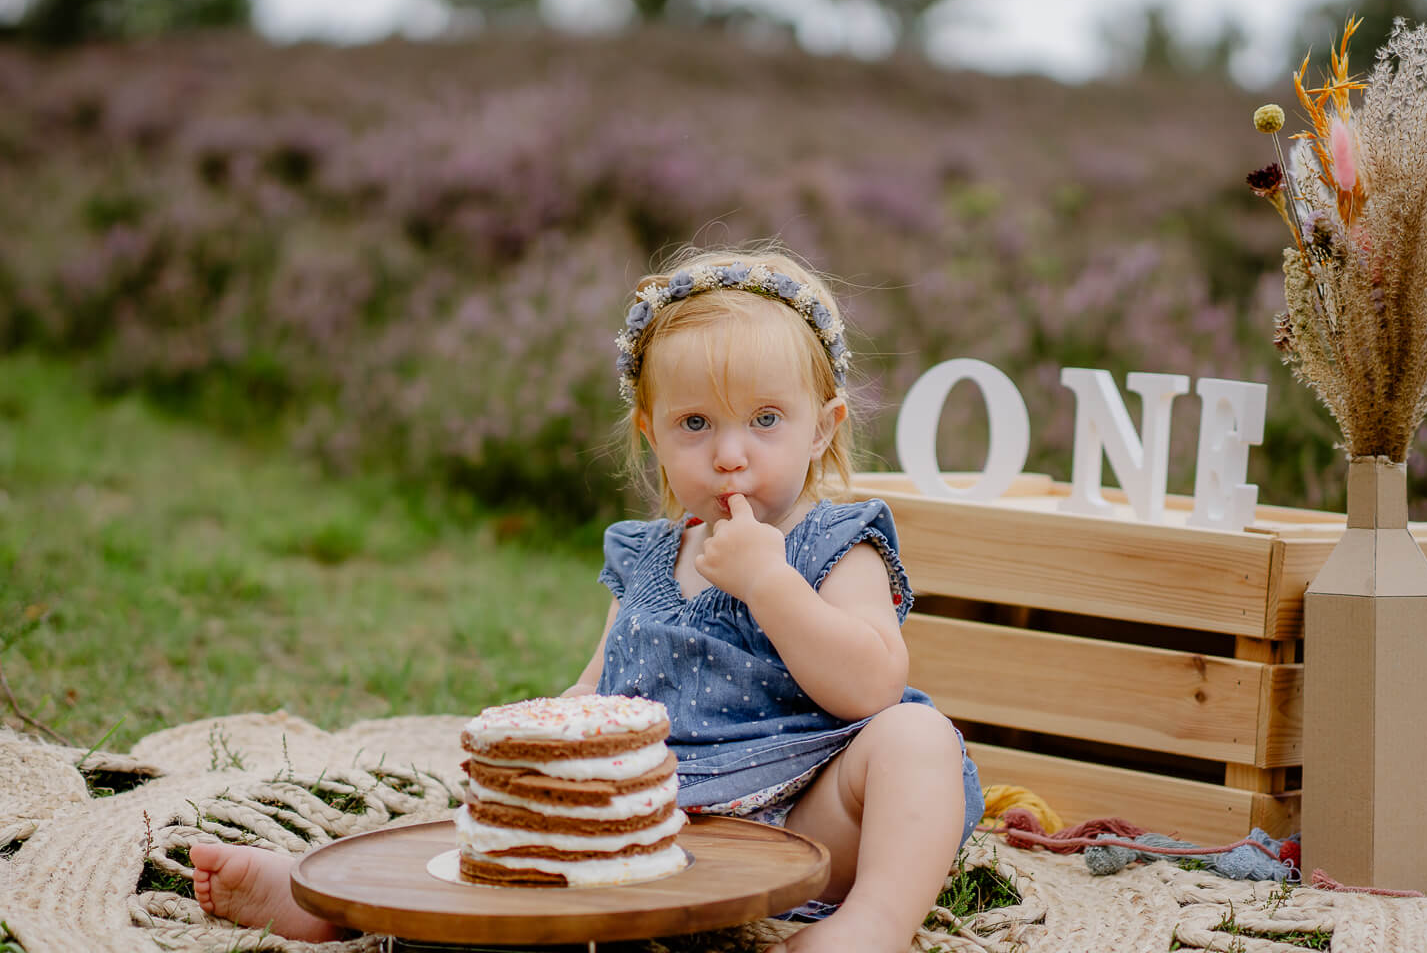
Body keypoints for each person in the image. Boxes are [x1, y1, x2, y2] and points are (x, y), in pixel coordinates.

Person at [190, 247, 984, 953]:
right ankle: (329, 902)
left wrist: (768, 583)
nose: (730, 454)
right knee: (500, 829)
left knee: (916, 738)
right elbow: (601, 687)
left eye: (765, 420)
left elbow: (872, 685)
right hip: (655, 825)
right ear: (651, 435)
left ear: (822, 428)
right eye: (695, 423)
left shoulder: (834, 543)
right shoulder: (648, 557)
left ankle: (872, 925)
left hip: (805, 822)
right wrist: (542, 743)